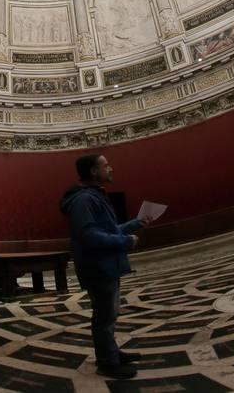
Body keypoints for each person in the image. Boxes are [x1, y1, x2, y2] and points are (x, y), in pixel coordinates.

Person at [60, 153, 151, 379]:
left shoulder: (94, 196)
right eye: (106, 165)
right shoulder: (83, 200)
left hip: (106, 265)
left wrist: (134, 224)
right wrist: (126, 241)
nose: (111, 168)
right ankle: (108, 363)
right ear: (93, 171)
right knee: (103, 316)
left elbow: (106, 230)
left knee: (109, 314)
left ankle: (111, 352)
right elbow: (89, 236)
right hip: (98, 267)